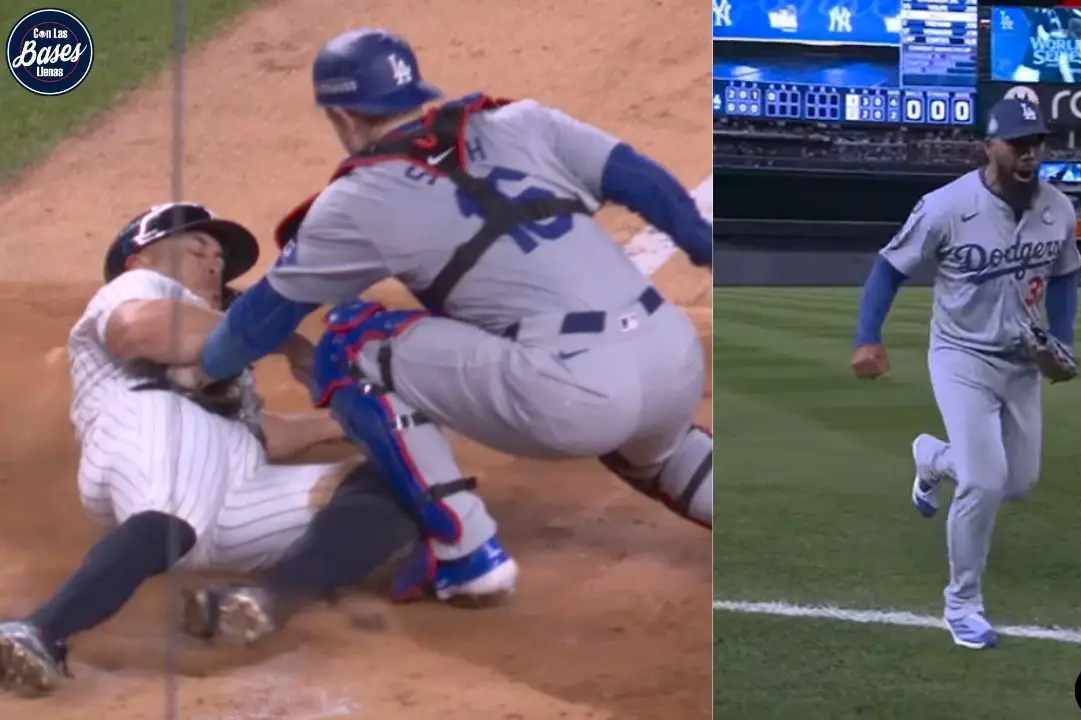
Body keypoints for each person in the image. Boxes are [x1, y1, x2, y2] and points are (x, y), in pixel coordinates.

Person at [152, 27, 714, 641]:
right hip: (673, 357)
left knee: (350, 340)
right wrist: (704, 246)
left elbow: (266, 316)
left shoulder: (356, 201)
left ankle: (467, 553)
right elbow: (645, 180)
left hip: (572, 396)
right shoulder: (523, 121)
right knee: (654, 450)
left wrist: (204, 366)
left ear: (340, 116)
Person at [0, 202, 434, 695]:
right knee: (172, 508)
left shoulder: (222, 347)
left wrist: (357, 420)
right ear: (140, 260)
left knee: (399, 485)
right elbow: (138, 332)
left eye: (220, 259)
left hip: (227, 487)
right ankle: (41, 630)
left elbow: (252, 437)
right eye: (195, 249)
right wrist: (283, 340)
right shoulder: (136, 288)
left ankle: (262, 601)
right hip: (143, 430)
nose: (214, 263)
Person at [850, 98, 1081, 650]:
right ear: (990, 147)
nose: (1029, 152)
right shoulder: (947, 206)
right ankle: (962, 603)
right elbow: (888, 268)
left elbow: (1067, 275)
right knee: (983, 480)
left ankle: (932, 458)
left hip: (1023, 362)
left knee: (1017, 482)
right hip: (961, 357)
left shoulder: (1058, 208)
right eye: (1017, 142)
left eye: (1037, 142)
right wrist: (867, 337)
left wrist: (1064, 341)